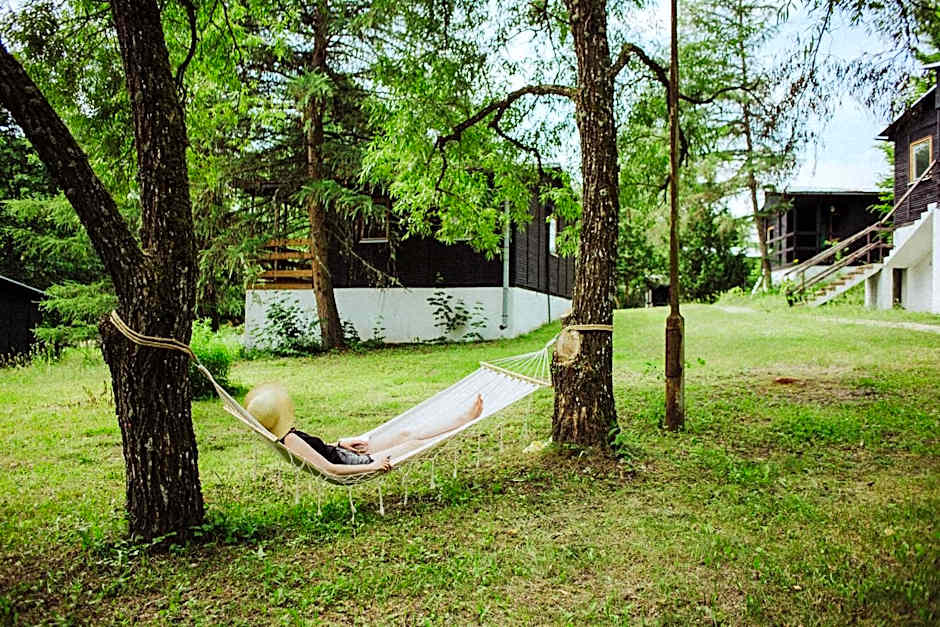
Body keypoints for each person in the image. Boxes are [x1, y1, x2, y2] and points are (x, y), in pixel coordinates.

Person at [245, 383, 483, 476]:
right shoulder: (291, 441)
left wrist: (339, 444)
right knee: (415, 444)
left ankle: (462, 418)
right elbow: (329, 468)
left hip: (347, 453)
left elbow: (321, 452)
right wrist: (373, 466)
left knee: (405, 434)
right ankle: (462, 422)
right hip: (354, 464)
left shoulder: (290, 436)